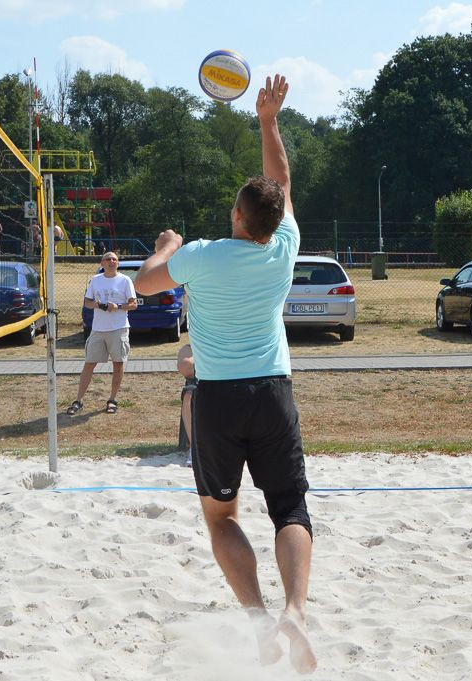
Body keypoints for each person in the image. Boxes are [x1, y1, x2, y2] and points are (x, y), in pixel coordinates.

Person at [134, 74, 316, 675]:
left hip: (216, 399)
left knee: (221, 517)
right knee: (290, 510)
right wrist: (268, 121)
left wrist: (168, 244)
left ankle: (260, 618)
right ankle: (295, 611)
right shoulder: (283, 247)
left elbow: (144, 283)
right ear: (274, 218)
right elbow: (281, 182)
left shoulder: (201, 255)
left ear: (237, 214)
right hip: (273, 391)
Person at [66, 252, 137, 416]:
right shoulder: (95, 280)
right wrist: (97, 304)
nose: (111, 261)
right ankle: (78, 400)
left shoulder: (125, 280)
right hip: (98, 329)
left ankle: (112, 400)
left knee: (118, 363)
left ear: (118, 263)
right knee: (89, 363)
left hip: (118, 328)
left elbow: (133, 304)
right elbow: (87, 302)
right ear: (102, 263)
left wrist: (118, 307)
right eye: (108, 259)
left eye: (114, 259)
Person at [177, 343, 196, 466]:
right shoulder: (190, 347)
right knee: (189, 395)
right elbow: (186, 368)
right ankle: (195, 447)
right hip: (201, 381)